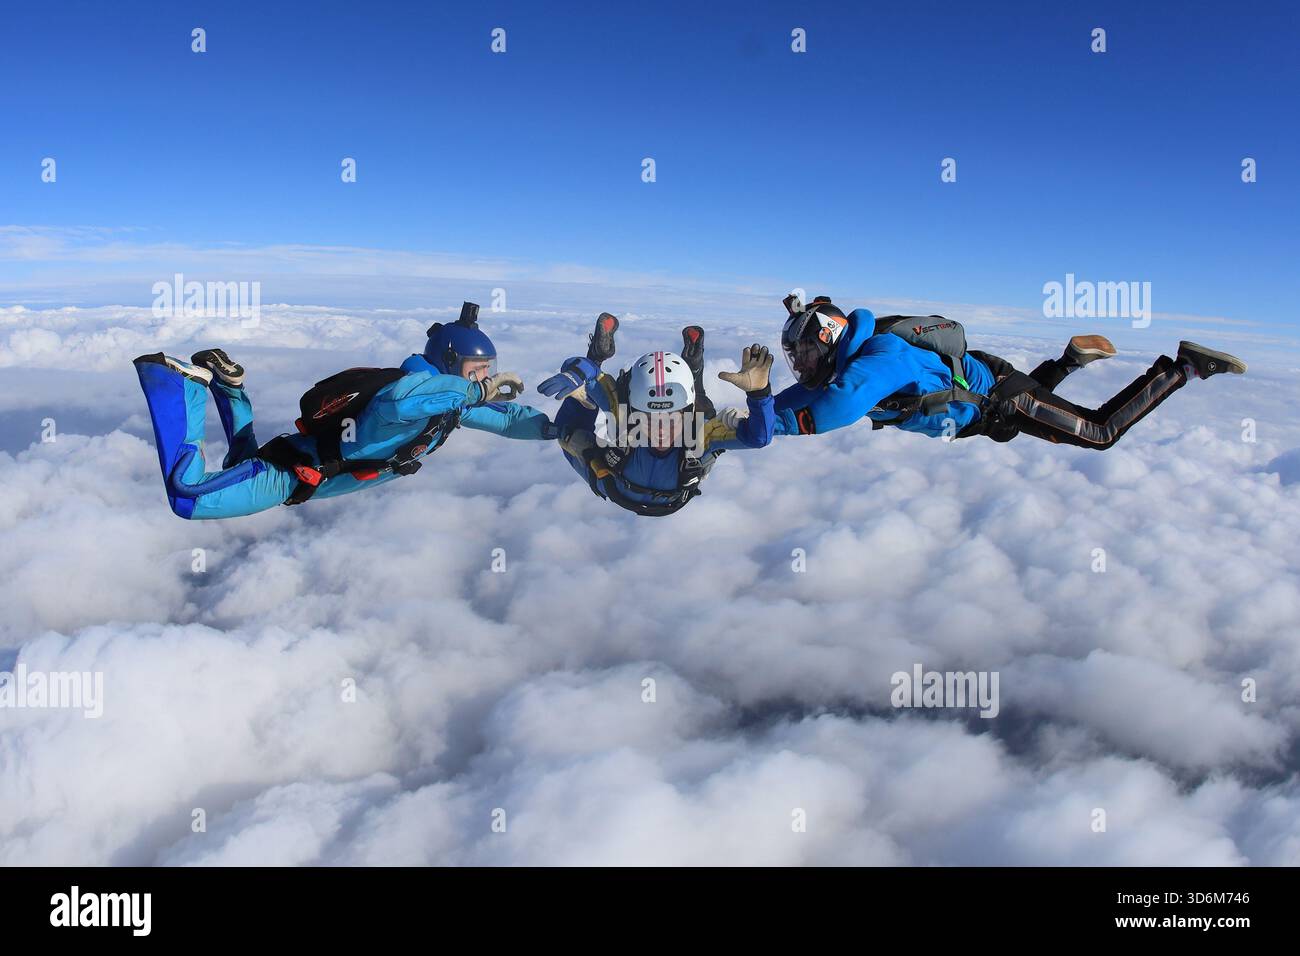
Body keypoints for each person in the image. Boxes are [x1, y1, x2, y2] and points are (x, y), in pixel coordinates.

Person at [133, 301, 555, 519]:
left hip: (299, 471)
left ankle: (229, 387)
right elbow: (409, 400)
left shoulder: (449, 409)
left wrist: (557, 430)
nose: (483, 378)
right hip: (288, 475)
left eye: (487, 372)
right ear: (449, 364)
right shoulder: (405, 398)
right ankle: (181, 386)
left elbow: (509, 419)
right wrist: (475, 392)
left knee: (241, 460)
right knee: (187, 498)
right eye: (475, 370)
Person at [763, 294, 1247, 447]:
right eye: (796, 356)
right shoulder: (850, 359)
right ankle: (1067, 362)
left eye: (804, 352)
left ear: (827, 337)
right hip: (989, 402)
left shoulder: (879, 358)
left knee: (1097, 432)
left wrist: (766, 422)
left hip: (997, 395)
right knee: (1016, 418)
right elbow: (799, 398)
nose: (801, 365)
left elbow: (828, 412)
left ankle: (1183, 368)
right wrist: (749, 411)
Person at [536, 313, 775, 516]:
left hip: (615, 485)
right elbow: (759, 436)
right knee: (569, 427)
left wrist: (759, 394)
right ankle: (599, 353)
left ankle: (692, 370)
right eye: (649, 419)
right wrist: (582, 370)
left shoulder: (698, 438)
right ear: (634, 412)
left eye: (672, 418)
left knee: (701, 413)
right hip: (626, 487)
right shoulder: (626, 419)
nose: (661, 430)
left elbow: (760, 438)